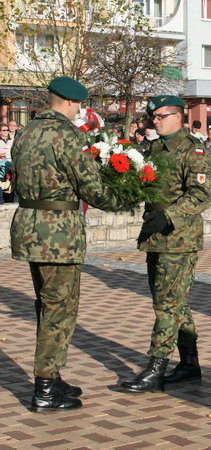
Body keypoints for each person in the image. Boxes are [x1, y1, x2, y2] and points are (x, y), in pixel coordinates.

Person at [10, 76, 130, 411]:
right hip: (58, 234)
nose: (79, 110)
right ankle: (45, 388)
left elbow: (17, 180)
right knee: (59, 309)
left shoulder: (25, 133)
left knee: (46, 304)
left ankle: (53, 377)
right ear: (68, 102)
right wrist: (122, 198)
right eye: (78, 104)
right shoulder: (67, 135)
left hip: (30, 227)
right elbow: (90, 187)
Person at [120, 95, 211, 393]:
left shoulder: (193, 149)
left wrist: (169, 216)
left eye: (160, 116)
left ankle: (155, 367)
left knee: (166, 305)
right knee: (176, 304)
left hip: (179, 238)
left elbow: (201, 194)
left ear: (178, 117)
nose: (155, 121)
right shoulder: (153, 148)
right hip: (155, 236)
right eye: (153, 118)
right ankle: (189, 363)